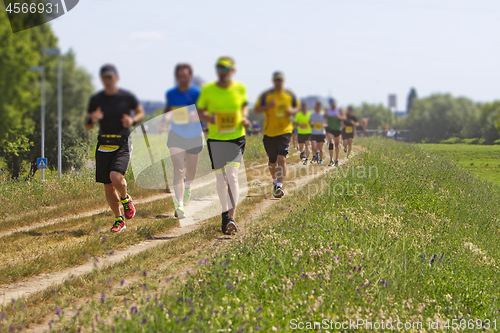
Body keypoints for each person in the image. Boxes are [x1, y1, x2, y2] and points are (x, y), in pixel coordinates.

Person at [85, 64, 145, 233]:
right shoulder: (96, 100)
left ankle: (126, 199)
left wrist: (132, 121)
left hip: (122, 143)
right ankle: (119, 220)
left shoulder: (126, 97)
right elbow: (88, 125)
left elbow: (139, 112)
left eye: (110, 77)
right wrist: (92, 119)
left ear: (116, 78)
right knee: (108, 187)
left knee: (115, 177)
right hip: (103, 145)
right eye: (105, 78)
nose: (108, 81)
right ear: (102, 80)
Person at [197, 56, 250, 235]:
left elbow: (243, 106)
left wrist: (244, 117)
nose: (223, 72)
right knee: (221, 180)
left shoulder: (239, 88)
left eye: (226, 69)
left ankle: (231, 217)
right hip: (216, 139)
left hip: (236, 138)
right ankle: (224, 212)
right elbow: (199, 111)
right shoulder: (208, 89)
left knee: (232, 177)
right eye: (220, 68)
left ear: (232, 71)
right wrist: (208, 118)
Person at [164, 63, 203, 219]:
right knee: (178, 170)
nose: (182, 79)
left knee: (191, 172)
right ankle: (179, 204)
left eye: (185, 76)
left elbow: (204, 111)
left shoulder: (197, 93)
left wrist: (195, 114)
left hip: (194, 135)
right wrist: (164, 120)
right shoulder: (171, 93)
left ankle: (188, 185)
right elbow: (168, 111)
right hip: (176, 134)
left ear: (190, 76)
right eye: (180, 76)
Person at [254, 72, 300, 198]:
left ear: (283, 81)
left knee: (282, 158)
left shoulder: (289, 94)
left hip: (285, 130)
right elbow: (257, 109)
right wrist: (268, 106)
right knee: (272, 162)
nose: (278, 82)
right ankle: (274, 181)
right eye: (276, 80)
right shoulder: (267, 95)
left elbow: (297, 107)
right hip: (269, 132)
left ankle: (279, 185)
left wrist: (292, 111)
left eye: (280, 80)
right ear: (273, 81)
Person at [324, 98, 346, 167]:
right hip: (330, 128)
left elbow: (344, 118)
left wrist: (339, 117)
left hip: (337, 129)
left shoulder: (339, 109)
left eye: (334, 104)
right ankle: (331, 159)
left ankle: (336, 159)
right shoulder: (328, 109)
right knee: (331, 142)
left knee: (336, 145)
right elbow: (325, 117)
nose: (332, 106)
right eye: (331, 104)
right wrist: (326, 116)